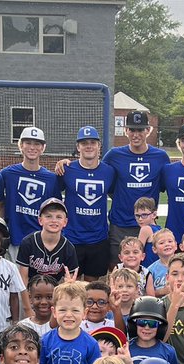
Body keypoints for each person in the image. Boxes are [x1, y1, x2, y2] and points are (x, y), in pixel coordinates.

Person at [97, 111, 169, 260]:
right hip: (120, 223)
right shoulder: (114, 155)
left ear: (148, 130)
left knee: (148, 268)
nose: (136, 134)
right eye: (132, 130)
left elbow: (164, 185)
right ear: (126, 130)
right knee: (117, 268)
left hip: (148, 225)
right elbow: (99, 175)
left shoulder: (160, 157)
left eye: (140, 130)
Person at [62, 125, 116, 279]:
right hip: (72, 237)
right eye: (84, 143)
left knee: (92, 285)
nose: (89, 146)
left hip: (98, 238)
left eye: (93, 142)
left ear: (99, 146)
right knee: (70, 285)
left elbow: (113, 192)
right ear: (78, 147)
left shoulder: (109, 171)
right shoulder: (67, 169)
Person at [1, 127, 61, 260]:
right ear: (20, 145)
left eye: (37, 144)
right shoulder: (8, 174)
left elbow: (56, 212)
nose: (32, 147)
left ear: (43, 147)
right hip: (15, 240)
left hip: (41, 242)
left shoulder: (51, 179)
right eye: (28, 143)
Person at [17, 197, 80, 285]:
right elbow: (23, 278)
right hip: (31, 289)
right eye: (48, 216)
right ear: (40, 220)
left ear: (65, 222)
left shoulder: (68, 248)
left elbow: (69, 280)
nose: (54, 220)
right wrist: (27, 298)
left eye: (59, 217)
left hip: (54, 291)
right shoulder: (28, 242)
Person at [126, 296, 179, 364]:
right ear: (134, 325)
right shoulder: (126, 349)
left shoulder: (168, 351)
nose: (147, 328)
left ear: (160, 326)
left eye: (152, 324)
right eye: (142, 322)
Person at [144, 229, 178, 298]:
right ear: (154, 249)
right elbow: (147, 294)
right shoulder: (151, 270)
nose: (167, 244)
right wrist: (162, 291)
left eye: (170, 241)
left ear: (176, 245)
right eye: (162, 243)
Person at [19, 274, 56, 338]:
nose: (43, 302)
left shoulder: (62, 325)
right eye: (38, 297)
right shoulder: (23, 326)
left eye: (49, 297)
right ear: (30, 298)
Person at [133, 197, 162, 267]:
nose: (140, 219)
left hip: (146, 269)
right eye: (137, 215)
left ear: (154, 215)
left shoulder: (145, 229)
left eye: (144, 215)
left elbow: (136, 252)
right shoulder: (159, 229)